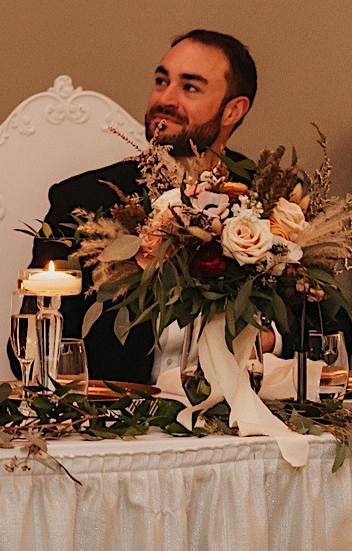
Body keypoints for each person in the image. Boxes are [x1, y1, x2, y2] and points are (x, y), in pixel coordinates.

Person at [24, 30, 259, 383]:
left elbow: (328, 334)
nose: (165, 98)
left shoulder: (272, 198)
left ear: (233, 110)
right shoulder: (86, 200)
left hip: (246, 418)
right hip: (121, 419)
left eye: (189, 87)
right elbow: (34, 348)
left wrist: (263, 340)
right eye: (161, 81)